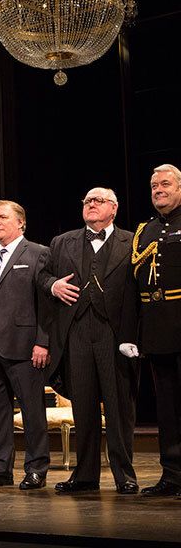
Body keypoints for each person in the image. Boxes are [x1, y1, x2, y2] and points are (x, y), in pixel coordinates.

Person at [40, 188, 140, 494]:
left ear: (114, 208)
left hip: (115, 334)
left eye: (98, 200)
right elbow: (41, 277)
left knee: (118, 405)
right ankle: (84, 476)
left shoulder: (132, 240)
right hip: (77, 332)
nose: (91, 204)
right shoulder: (62, 241)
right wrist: (53, 285)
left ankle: (125, 475)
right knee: (82, 407)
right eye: (87, 201)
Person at [0, 200, 50, 490]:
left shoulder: (38, 252)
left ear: (21, 223)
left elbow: (46, 304)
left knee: (32, 409)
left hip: (25, 344)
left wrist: (43, 342)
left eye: (3, 217)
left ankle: (37, 467)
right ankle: (1, 468)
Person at [132, 164, 181, 498]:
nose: (159, 189)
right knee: (168, 409)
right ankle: (173, 475)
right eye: (153, 185)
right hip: (158, 331)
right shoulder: (144, 231)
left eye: (165, 183)